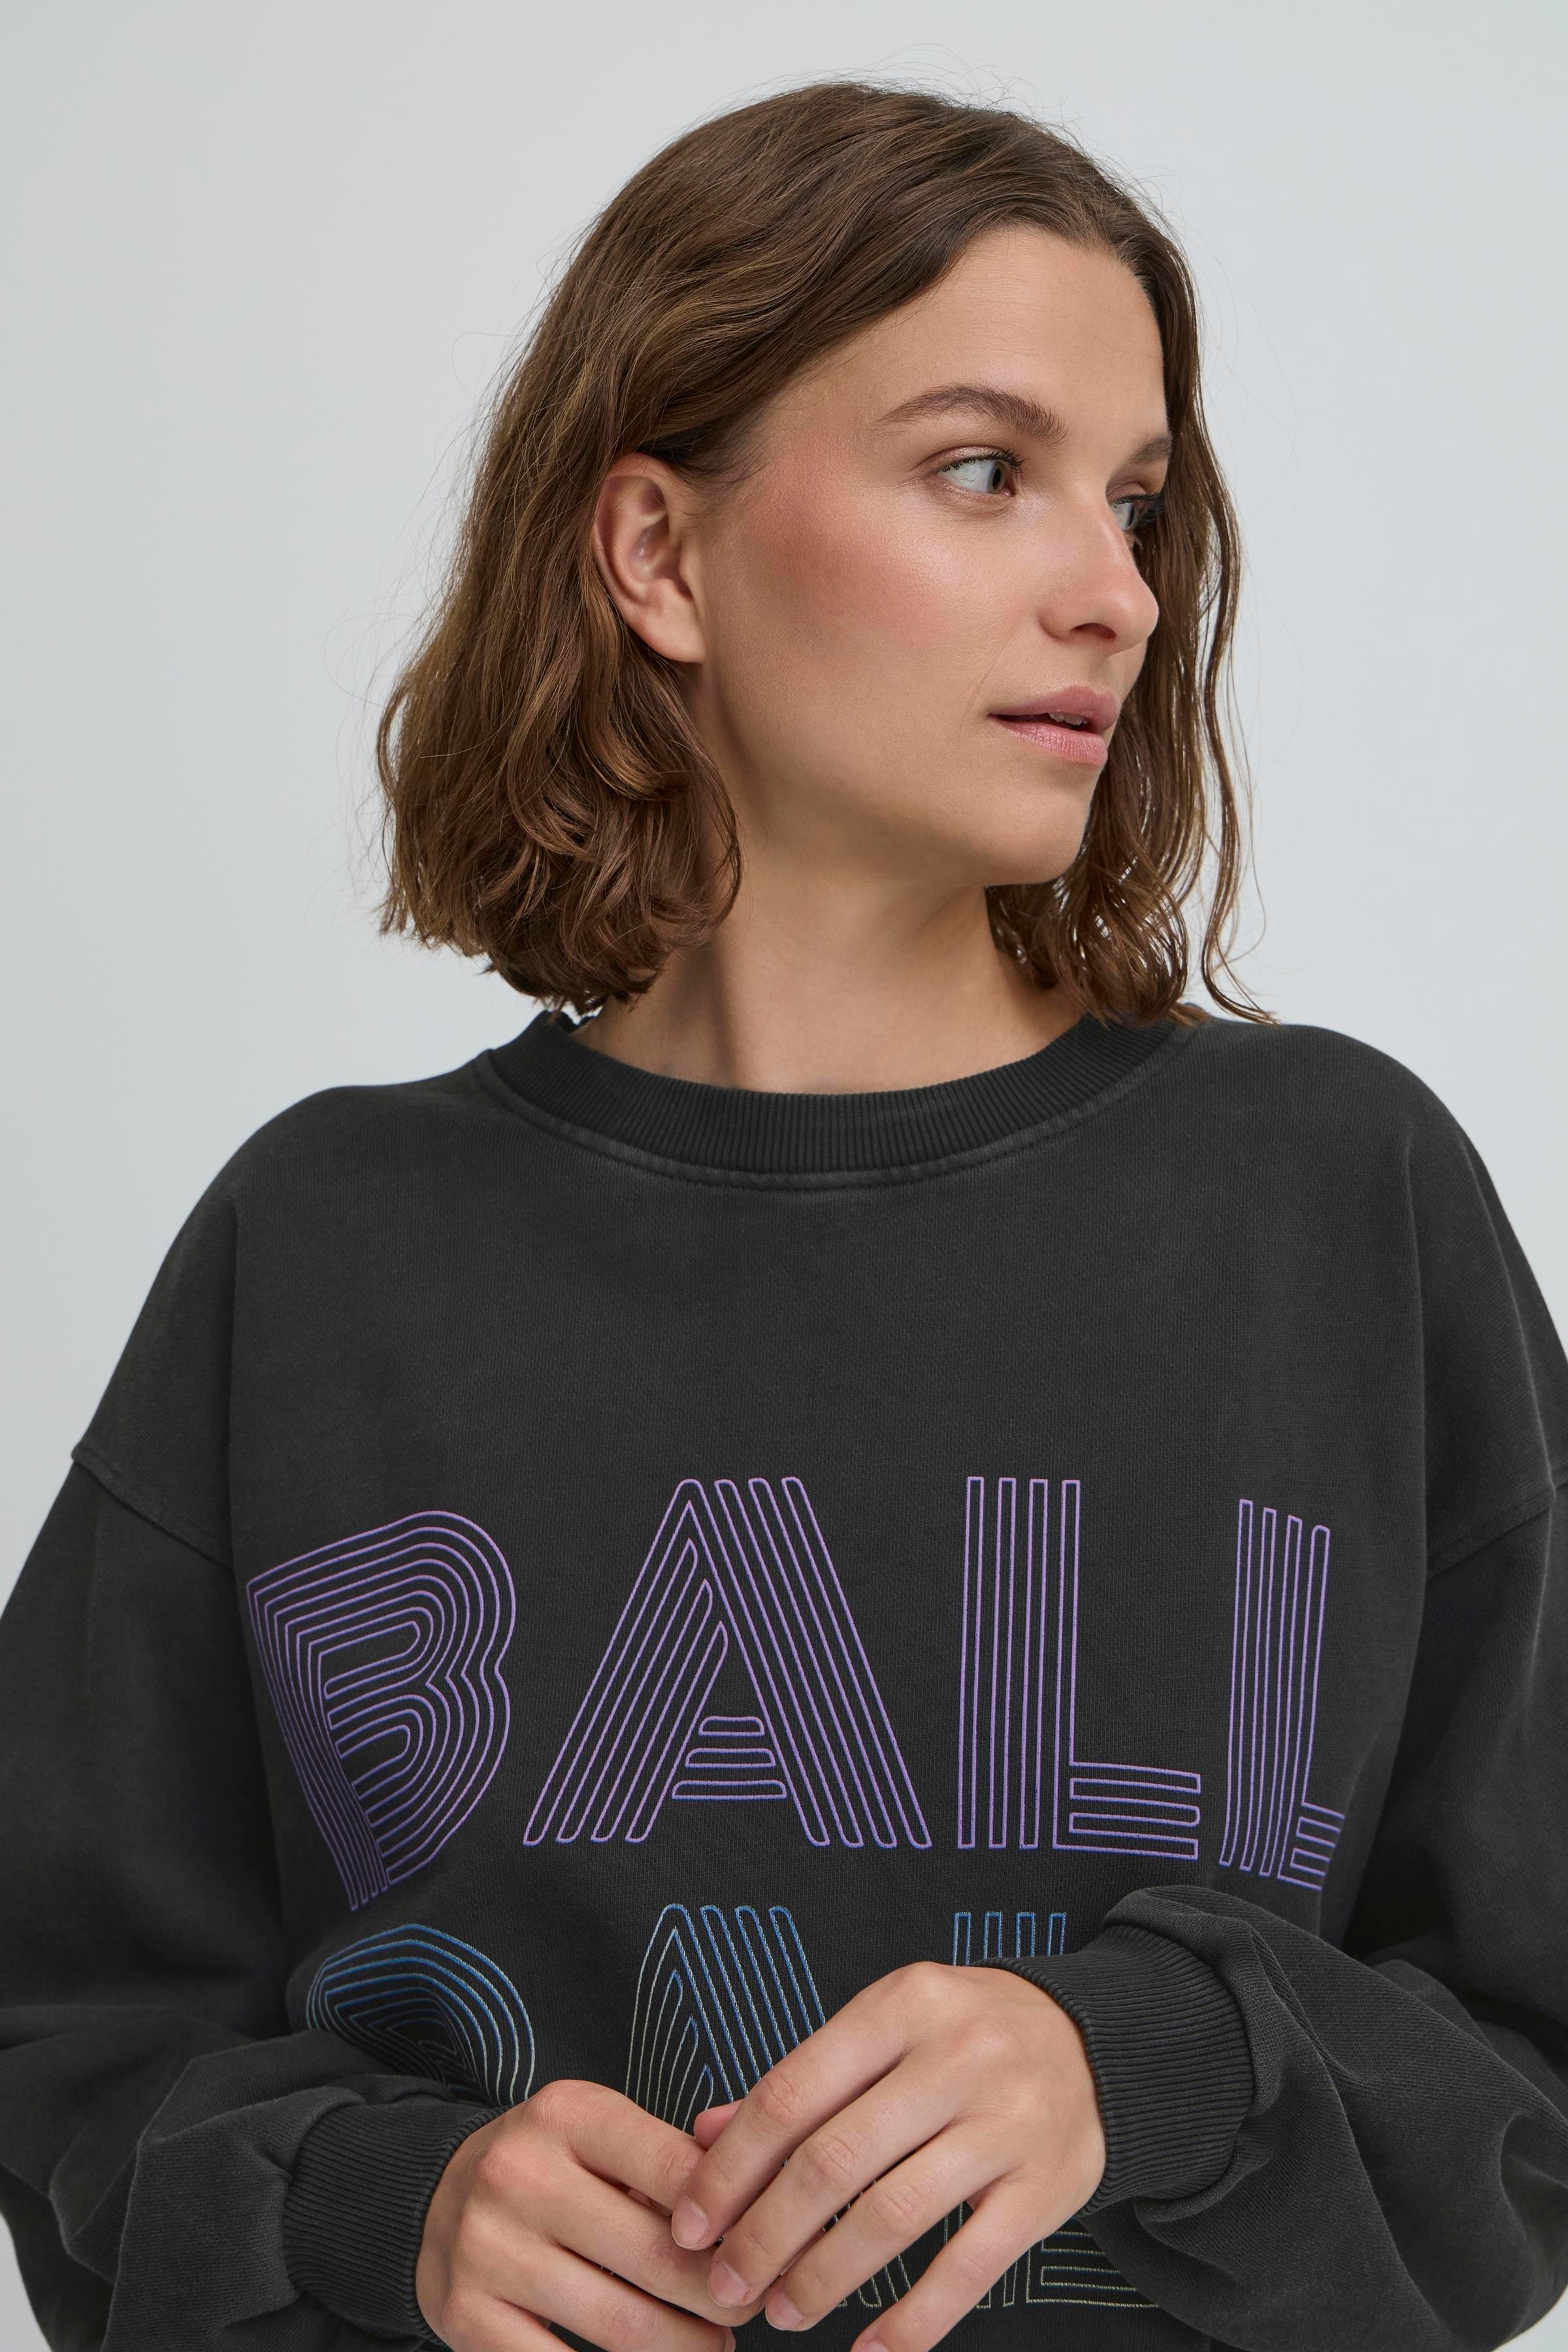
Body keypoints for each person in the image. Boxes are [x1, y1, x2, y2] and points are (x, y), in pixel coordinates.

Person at [1, 73, 1565, 2352]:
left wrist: (1149, 2061)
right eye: (984, 470)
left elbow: (1541, 2046)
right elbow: (62, 2043)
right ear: (659, 554)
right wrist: (374, 2207)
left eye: (1138, 499)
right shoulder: (321, 1250)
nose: (1116, 591)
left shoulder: (1344, 1201)